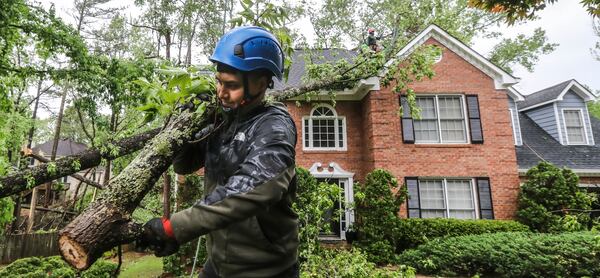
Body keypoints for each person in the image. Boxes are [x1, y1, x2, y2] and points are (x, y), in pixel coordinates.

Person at [138, 26, 299, 278]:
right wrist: (186, 124)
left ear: (260, 82)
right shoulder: (222, 121)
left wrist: (174, 228)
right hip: (220, 265)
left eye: (231, 85)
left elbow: (255, 185)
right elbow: (184, 165)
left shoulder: (274, 127)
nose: (221, 93)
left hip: (266, 269)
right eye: (219, 82)